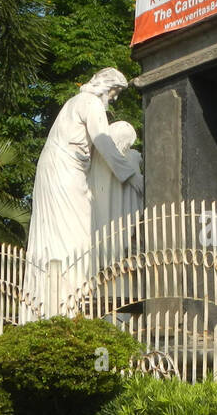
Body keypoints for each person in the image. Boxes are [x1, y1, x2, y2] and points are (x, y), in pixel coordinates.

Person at [24, 68, 144, 317]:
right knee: (75, 236)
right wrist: (132, 175)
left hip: (57, 170)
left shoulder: (73, 102)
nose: (115, 98)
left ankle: (50, 303)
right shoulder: (90, 103)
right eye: (115, 92)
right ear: (105, 86)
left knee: (60, 234)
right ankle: (68, 304)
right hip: (65, 171)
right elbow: (104, 143)